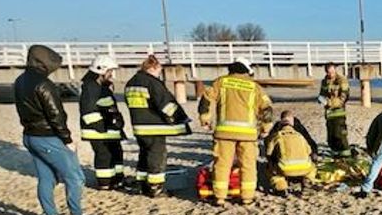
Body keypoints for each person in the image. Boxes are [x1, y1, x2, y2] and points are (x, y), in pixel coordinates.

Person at [14, 45, 90, 215]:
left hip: (30, 136)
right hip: (48, 136)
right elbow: (56, 115)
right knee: (75, 177)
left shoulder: (20, 81)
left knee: (46, 178)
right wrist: (67, 140)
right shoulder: (44, 84)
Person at [198, 59, 273, 205]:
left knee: (222, 164)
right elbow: (267, 109)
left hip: (224, 133)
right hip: (248, 135)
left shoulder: (220, 82)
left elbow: (206, 100)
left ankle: (219, 197)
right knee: (248, 165)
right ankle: (247, 197)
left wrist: (205, 120)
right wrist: (266, 128)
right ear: (247, 71)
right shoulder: (255, 87)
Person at [124, 55, 192, 197]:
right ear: (152, 67)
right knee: (157, 156)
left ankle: (142, 183)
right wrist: (181, 117)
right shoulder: (152, 82)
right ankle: (156, 187)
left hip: (138, 126)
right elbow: (165, 103)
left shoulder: (131, 82)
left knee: (144, 155)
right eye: (159, 69)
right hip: (153, 126)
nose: (159, 73)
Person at [79, 55, 127, 191]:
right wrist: (103, 127)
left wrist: (116, 123)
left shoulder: (101, 86)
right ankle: (105, 183)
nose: (111, 74)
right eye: (110, 71)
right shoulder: (90, 87)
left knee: (116, 153)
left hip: (108, 130)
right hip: (99, 131)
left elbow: (108, 106)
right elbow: (88, 113)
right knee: (104, 157)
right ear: (101, 70)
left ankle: (117, 179)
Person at [265, 110, 316, 195]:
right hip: (304, 168)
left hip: (285, 168)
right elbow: (310, 150)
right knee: (312, 167)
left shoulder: (277, 135)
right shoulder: (300, 135)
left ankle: (281, 187)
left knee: (270, 169)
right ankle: (307, 183)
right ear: (292, 121)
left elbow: (268, 153)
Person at [319, 62, 351, 156]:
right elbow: (322, 93)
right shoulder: (324, 81)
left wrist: (329, 103)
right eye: (329, 72)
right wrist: (321, 99)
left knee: (340, 135)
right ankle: (335, 154)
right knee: (331, 137)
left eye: (332, 72)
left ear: (335, 70)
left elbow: (344, 98)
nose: (330, 74)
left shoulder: (342, 80)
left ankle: (346, 155)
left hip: (339, 113)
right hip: (329, 114)